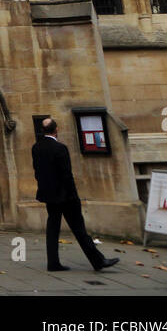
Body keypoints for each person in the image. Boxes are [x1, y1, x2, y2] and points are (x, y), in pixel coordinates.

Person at [32, 116, 118, 271]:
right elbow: (66, 175)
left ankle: (53, 263)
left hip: (49, 196)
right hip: (66, 197)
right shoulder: (60, 148)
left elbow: (38, 172)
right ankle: (98, 261)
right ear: (56, 130)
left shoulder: (36, 147)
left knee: (52, 229)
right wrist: (73, 195)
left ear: (43, 131)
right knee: (79, 229)